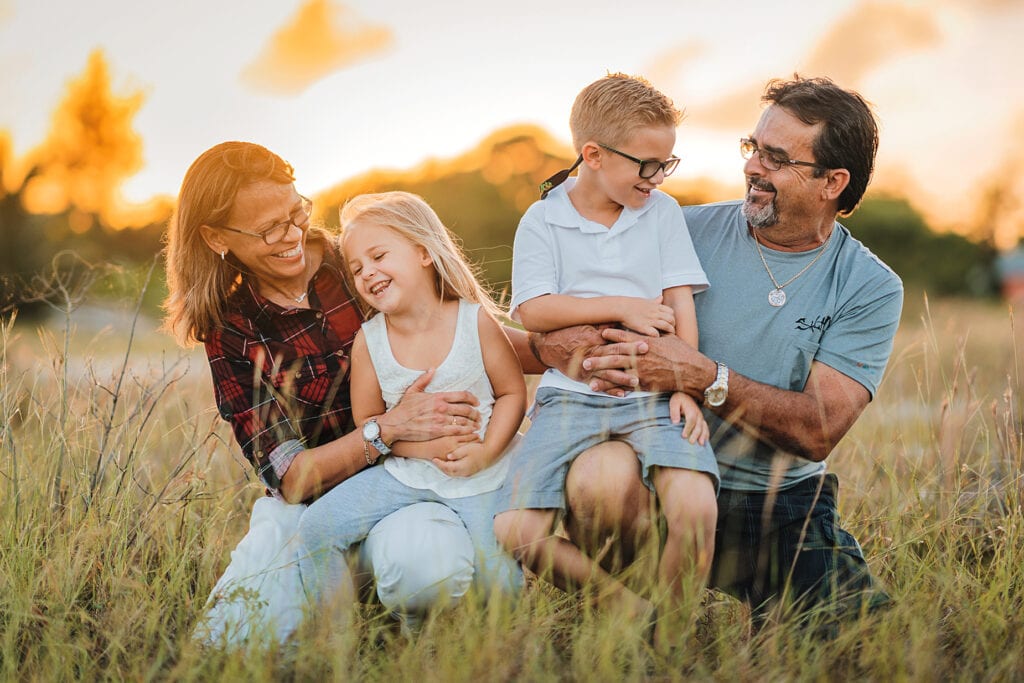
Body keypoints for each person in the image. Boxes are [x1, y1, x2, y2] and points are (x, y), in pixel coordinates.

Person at [535, 75, 904, 633]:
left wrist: (707, 377)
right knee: (599, 482)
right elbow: (554, 324)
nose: (753, 167)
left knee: (864, 639)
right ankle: (646, 622)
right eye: (753, 148)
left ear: (833, 181)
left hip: (776, 502)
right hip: (661, 473)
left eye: (777, 158)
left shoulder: (869, 286)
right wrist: (569, 347)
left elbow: (817, 430)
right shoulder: (676, 226)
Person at [163, 142, 490, 645]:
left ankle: (398, 625)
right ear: (215, 237)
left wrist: (574, 346)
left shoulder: (358, 261)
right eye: (269, 228)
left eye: (296, 213)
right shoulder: (231, 330)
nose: (292, 235)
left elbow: (468, 330)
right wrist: (386, 429)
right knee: (229, 644)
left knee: (424, 568)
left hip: (407, 480)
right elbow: (292, 478)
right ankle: (341, 600)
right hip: (306, 508)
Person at [493, 73, 719, 636]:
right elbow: (534, 311)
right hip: (571, 400)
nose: (658, 177)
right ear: (592, 154)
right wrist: (621, 305)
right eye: (646, 164)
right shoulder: (543, 219)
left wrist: (687, 388)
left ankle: (672, 639)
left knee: (696, 507)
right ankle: (624, 608)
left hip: (654, 394)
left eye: (666, 164)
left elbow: (679, 303)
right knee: (516, 528)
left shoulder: (662, 213)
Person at [296, 191, 525, 612]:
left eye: (379, 256)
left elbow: (512, 392)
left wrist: (487, 452)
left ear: (423, 251)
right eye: (358, 268)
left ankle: (490, 654)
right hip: (406, 475)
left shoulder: (474, 321)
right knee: (316, 527)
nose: (368, 273)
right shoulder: (370, 340)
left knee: (502, 587)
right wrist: (420, 448)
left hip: (482, 477)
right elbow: (368, 422)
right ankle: (334, 641)